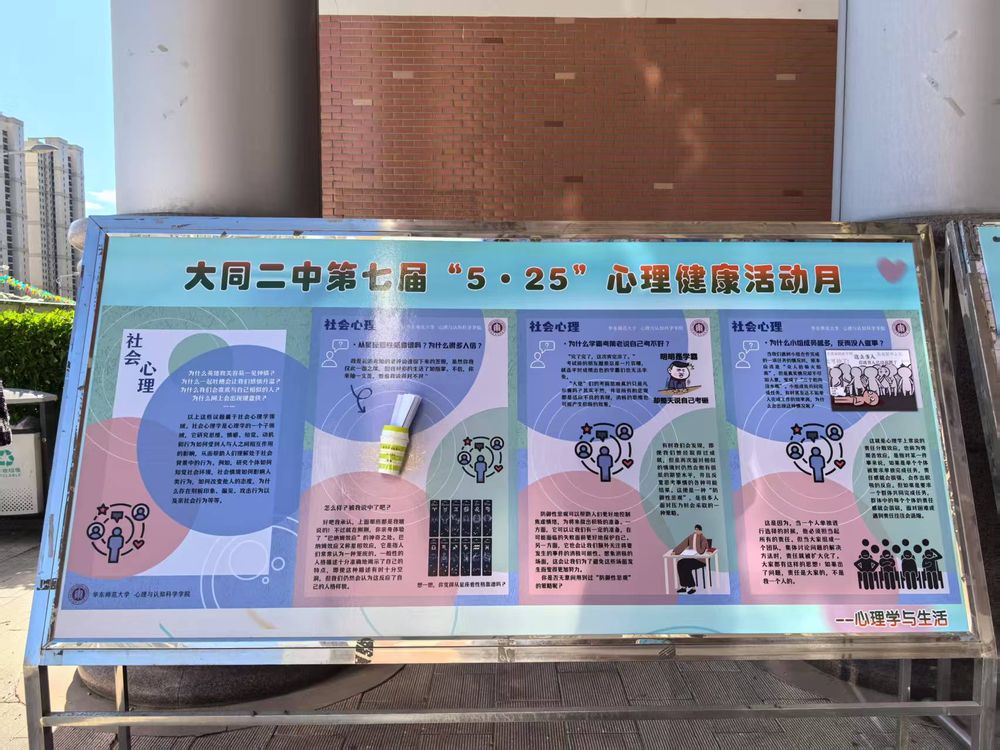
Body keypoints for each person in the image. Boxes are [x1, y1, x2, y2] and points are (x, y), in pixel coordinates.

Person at [672, 524, 709, 594]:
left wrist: (697, 539)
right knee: (680, 563)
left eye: (698, 530)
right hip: (692, 558)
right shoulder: (691, 537)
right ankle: (683, 586)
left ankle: (693, 587)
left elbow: (701, 551)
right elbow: (683, 544)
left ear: (701, 531)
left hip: (700, 560)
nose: (696, 531)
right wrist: (675, 551)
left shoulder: (703, 539)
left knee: (686, 566)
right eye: (695, 529)